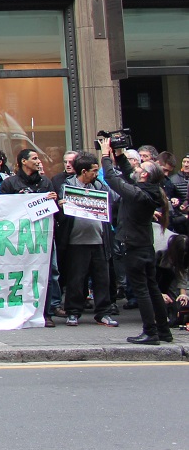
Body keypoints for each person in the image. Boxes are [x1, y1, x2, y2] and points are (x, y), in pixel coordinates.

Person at [99, 142, 174, 345]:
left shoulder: (138, 195)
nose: (137, 168)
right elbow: (128, 173)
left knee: (142, 291)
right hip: (145, 247)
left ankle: (150, 332)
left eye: (140, 167)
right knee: (152, 288)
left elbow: (112, 179)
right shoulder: (149, 191)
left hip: (134, 247)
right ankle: (164, 331)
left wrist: (105, 156)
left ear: (145, 175)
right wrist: (119, 155)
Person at [57, 152, 116, 328]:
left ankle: (103, 312)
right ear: (84, 171)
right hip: (76, 241)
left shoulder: (99, 186)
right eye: (94, 171)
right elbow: (60, 214)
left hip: (99, 240)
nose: (96, 174)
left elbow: (114, 199)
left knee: (102, 279)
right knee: (76, 280)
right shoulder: (67, 186)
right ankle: (73, 312)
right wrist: (61, 206)